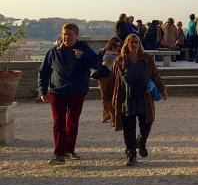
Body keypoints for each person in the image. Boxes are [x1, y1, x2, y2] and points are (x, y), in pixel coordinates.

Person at [38, 23, 100, 165]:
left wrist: (83, 56)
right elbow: (43, 72)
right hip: (57, 92)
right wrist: (42, 90)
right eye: (64, 34)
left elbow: (97, 64)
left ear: (76, 36)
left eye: (70, 34)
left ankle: (69, 150)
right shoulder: (53, 52)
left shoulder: (84, 49)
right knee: (58, 122)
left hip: (77, 91)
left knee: (73, 122)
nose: (66, 37)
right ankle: (59, 154)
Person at [107, 34, 168, 166]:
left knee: (147, 123)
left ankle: (141, 141)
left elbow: (155, 74)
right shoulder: (119, 60)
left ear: (139, 44)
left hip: (144, 97)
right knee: (128, 129)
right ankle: (131, 154)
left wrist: (162, 90)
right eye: (131, 42)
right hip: (126, 98)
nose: (134, 45)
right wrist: (107, 98)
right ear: (126, 44)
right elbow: (112, 80)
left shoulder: (146, 58)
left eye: (136, 42)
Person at [92, 36, 122, 125]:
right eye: (116, 45)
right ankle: (106, 116)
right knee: (105, 97)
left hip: (116, 76)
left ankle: (114, 118)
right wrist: (102, 64)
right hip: (104, 76)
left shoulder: (121, 53)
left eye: (119, 46)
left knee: (115, 98)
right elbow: (96, 63)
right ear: (111, 44)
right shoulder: (103, 52)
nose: (118, 47)